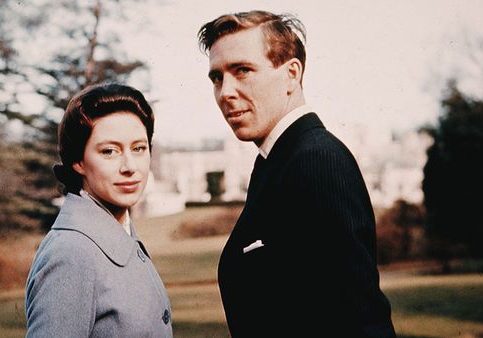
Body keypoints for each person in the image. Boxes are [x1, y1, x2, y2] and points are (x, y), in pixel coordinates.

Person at [198, 10, 395, 337]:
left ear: (292, 74)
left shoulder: (314, 160)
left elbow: (360, 320)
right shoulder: (277, 160)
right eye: (217, 77)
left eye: (242, 70)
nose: (225, 92)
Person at [24, 83, 173, 337]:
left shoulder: (119, 233)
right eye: (109, 151)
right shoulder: (70, 253)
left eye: (139, 148)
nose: (129, 166)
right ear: (78, 161)